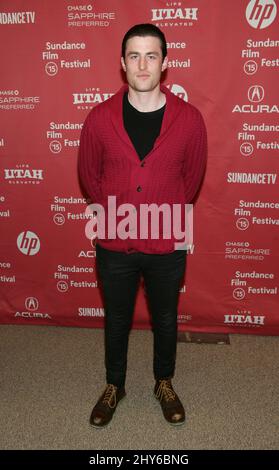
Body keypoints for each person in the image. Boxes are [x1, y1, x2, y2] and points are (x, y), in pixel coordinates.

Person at [78, 23, 207, 428]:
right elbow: (88, 176)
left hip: (167, 242)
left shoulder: (189, 120)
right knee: (116, 318)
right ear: (122, 63)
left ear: (165, 63)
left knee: (165, 318)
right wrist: (119, 219)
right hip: (115, 243)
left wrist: (160, 216)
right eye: (134, 55)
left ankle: (163, 382)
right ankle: (114, 384)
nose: (142, 64)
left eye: (151, 55)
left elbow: (193, 178)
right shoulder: (99, 118)